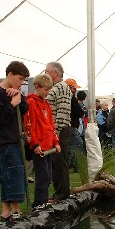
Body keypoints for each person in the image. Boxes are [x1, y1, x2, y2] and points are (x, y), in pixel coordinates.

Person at [0, 61, 30, 226]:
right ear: (10, 74)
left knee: (12, 174)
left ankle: (8, 210)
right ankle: (13, 210)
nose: (21, 83)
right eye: (20, 79)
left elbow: (24, 109)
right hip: (5, 141)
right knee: (13, 174)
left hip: (14, 140)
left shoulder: (13, 92)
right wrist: (12, 104)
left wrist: (19, 96)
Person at [24, 74, 61, 209]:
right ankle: (38, 203)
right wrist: (34, 144)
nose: (47, 93)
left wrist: (55, 142)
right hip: (39, 146)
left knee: (48, 176)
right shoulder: (31, 103)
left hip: (48, 145)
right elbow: (29, 126)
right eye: (45, 90)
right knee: (42, 176)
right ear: (37, 87)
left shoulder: (46, 104)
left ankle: (44, 200)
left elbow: (51, 125)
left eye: (48, 90)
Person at [45, 62, 72, 202]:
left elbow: (63, 111)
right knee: (56, 163)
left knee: (59, 163)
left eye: (46, 71)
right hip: (56, 130)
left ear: (54, 73)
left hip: (59, 130)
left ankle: (62, 194)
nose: (45, 74)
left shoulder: (62, 87)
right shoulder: (57, 87)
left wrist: (56, 131)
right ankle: (59, 192)